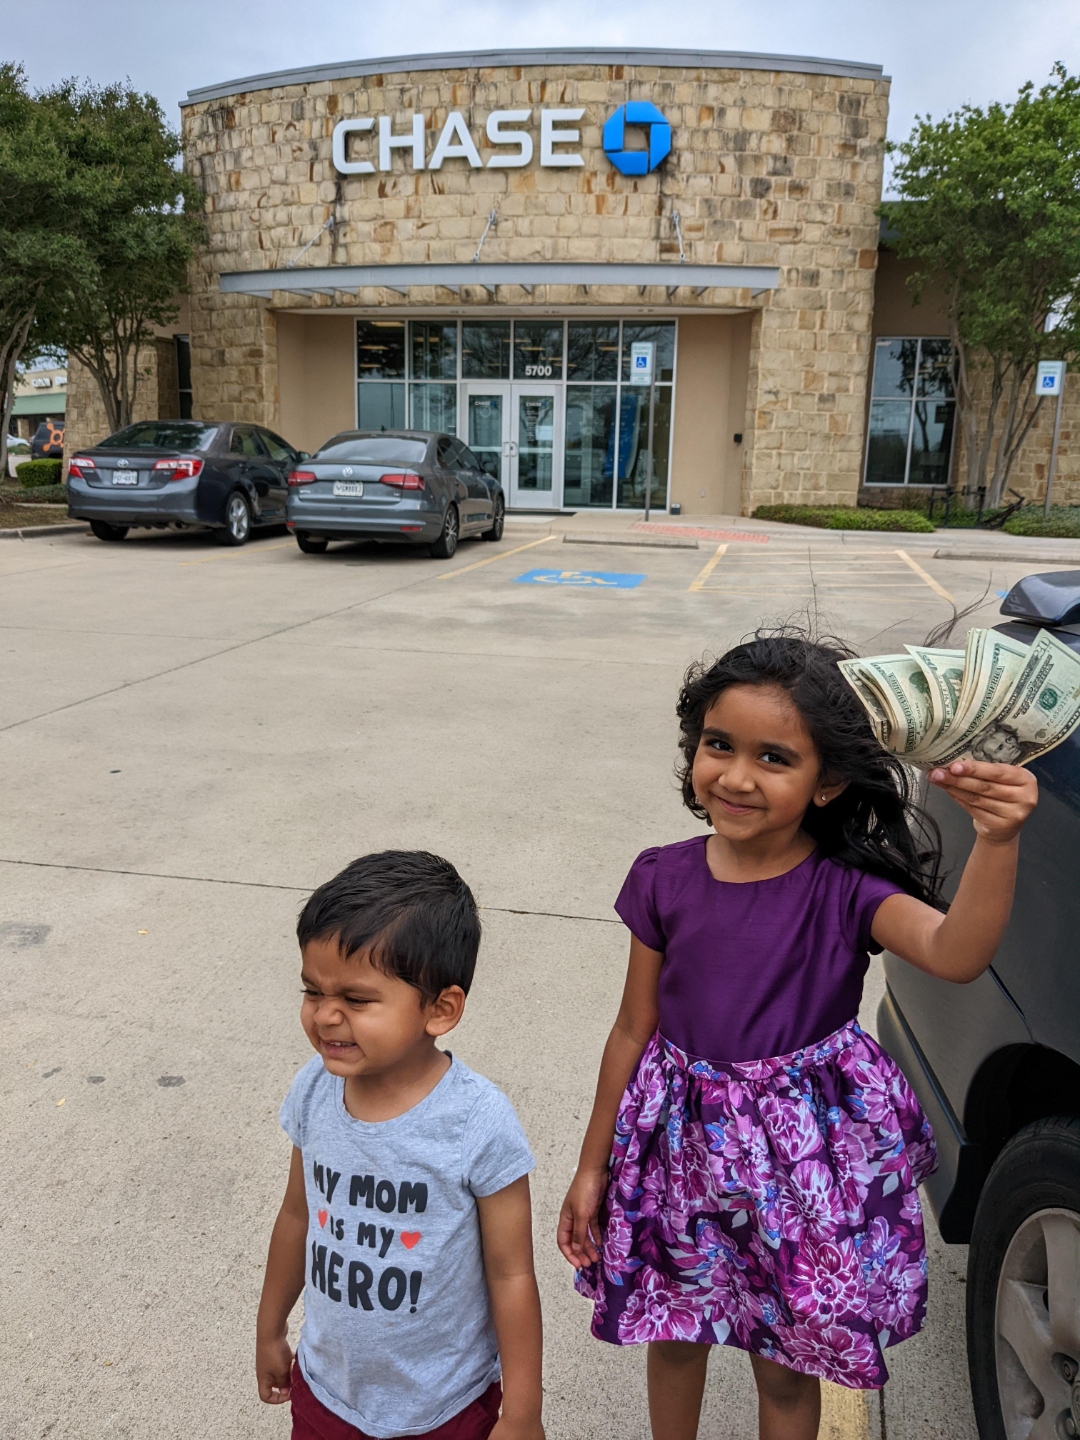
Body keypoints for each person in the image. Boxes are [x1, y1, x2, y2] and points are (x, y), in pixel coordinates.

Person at [557, 632, 1038, 1440]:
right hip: (679, 1151)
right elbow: (633, 1027)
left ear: (829, 783)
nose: (736, 776)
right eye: (719, 744)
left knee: (785, 1363)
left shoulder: (847, 891)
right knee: (671, 1332)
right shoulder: (661, 877)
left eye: (774, 757)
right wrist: (591, 1165)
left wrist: (997, 839)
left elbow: (957, 954)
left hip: (800, 1165)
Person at [257, 851, 545, 1440]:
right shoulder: (314, 1089)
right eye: (312, 991)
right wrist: (270, 1328)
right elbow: (297, 1214)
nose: (326, 1016)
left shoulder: (476, 1121)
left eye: (357, 999)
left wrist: (522, 1412)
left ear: (440, 1009)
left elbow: (512, 1273)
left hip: (446, 1406)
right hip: (327, 1388)